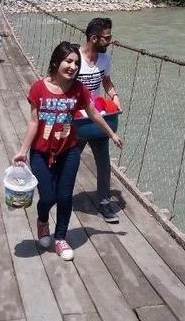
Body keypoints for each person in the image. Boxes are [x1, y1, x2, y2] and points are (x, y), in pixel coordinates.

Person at [12, 42, 123, 261]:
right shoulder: (38, 88)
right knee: (48, 196)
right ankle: (43, 221)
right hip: (41, 152)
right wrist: (22, 151)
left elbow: (92, 113)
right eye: (68, 61)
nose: (72, 66)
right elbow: (34, 122)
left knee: (64, 196)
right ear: (56, 61)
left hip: (69, 150)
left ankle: (61, 237)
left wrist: (112, 133)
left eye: (76, 63)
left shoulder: (79, 90)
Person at [75, 18, 121, 223]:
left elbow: (107, 81)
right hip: (75, 119)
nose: (110, 41)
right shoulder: (73, 58)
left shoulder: (105, 59)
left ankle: (104, 201)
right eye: (107, 37)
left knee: (103, 162)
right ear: (94, 38)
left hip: (97, 117)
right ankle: (61, 195)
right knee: (69, 160)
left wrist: (115, 97)